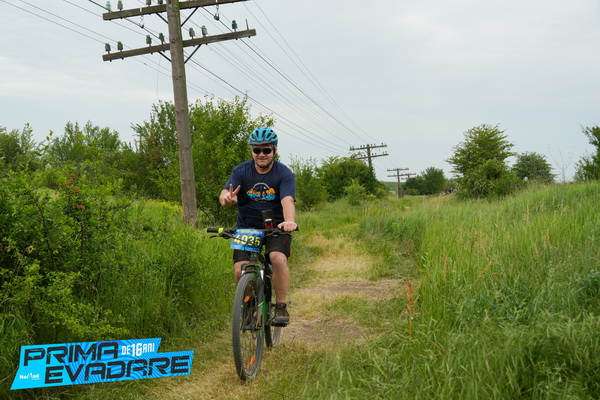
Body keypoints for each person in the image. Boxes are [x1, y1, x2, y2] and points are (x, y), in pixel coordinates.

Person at [219, 127, 297, 326]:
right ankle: (248, 306)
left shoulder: (284, 173)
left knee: (277, 258)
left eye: (266, 150)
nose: (261, 154)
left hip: (276, 228)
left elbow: (287, 200)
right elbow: (225, 194)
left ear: (274, 150)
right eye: (257, 150)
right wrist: (227, 199)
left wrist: (289, 221)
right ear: (252, 151)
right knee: (240, 271)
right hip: (247, 228)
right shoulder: (241, 171)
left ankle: (281, 306)